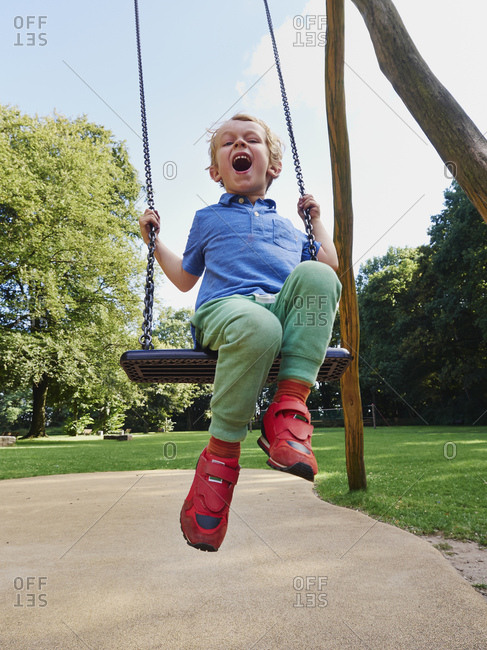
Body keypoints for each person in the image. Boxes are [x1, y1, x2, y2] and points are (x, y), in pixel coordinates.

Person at [139, 114, 342, 552]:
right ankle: (220, 459)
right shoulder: (207, 218)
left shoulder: (291, 230)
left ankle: (287, 413)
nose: (239, 145)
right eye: (228, 143)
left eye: (251, 140)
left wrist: (316, 218)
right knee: (258, 324)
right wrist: (154, 241)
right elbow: (184, 278)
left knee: (318, 278)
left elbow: (330, 265)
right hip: (224, 311)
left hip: (279, 316)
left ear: (273, 166)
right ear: (216, 171)